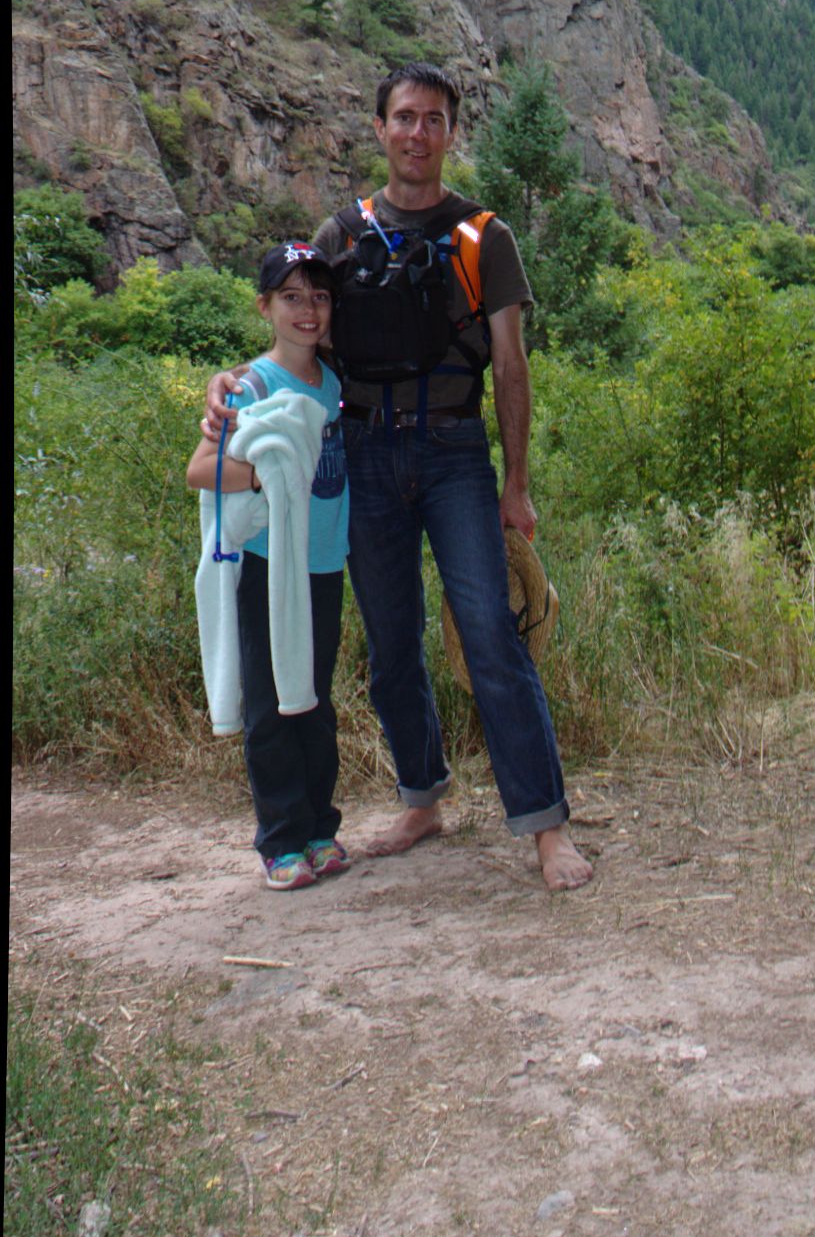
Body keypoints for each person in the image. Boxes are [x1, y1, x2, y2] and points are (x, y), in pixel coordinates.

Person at [203, 63, 592, 893]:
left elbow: (511, 365)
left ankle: (545, 825)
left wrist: (515, 483)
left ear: (452, 133)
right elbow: (297, 332)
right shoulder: (341, 234)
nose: (418, 133)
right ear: (379, 129)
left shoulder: (485, 235)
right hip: (364, 454)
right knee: (389, 646)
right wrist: (233, 382)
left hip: (454, 451)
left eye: (434, 119)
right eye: (404, 117)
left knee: (490, 630)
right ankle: (422, 796)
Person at [188, 242, 350, 892]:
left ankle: (320, 828)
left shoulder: (334, 382)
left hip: (322, 564)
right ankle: (280, 840)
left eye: (318, 296)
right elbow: (200, 468)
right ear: (265, 307)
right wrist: (266, 471)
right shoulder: (251, 384)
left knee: (313, 698)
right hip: (264, 564)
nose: (306, 310)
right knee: (270, 702)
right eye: (291, 297)